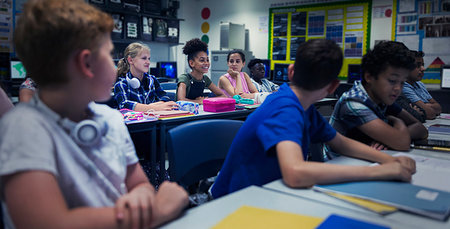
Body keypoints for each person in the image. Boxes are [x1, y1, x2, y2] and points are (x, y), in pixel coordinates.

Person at [0, 1, 188, 228]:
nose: (114, 62)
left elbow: (139, 184)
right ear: (86, 63)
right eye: (109, 54)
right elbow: (49, 223)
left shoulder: (111, 119)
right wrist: (156, 211)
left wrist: (142, 197)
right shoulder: (22, 129)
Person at [211, 39, 416, 199]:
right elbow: (295, 173)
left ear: (291, 71)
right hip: (234, 204)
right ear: (334, 86)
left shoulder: (301, 104)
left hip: (265, 193)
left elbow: (340, 142)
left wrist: (390, 160)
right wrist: (380, 172)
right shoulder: (285, 109)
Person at [330, 41, 428, 152]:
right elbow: (402, 143)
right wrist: (397, 123)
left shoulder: (381, 97)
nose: (397, 88)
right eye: (392, 81)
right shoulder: (353, 103)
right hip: (340, 164)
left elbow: (421, 129)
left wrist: (389, 138)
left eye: (402, 82)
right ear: (369, 76)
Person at [114, 42, 177, 111]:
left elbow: (165, 97)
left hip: (156, 119)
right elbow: (124, 105)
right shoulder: (121, 84)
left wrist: (149, 107)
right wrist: (156, 108)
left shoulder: (152, 80)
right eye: (144, 58)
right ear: (130, 60)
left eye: (149, 58)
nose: (148, 62)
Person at [176, 38, 224, 104]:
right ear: (191, 63)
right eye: (202, 60)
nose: (206, 63)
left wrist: (206, 100)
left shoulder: (205, 79)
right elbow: (180, 100)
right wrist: (199, 101)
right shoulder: (185, 78)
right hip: (182, 112)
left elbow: (223, 95)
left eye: (207, 60)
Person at [402, 50, 442, 120]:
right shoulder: (403, 87)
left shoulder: (420, 84)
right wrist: (429, 107)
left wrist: (424, 106)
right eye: (418, 65)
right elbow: (430, 114)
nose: (423, 69)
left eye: (423, 65)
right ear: (406, 68)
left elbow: (439, 108)